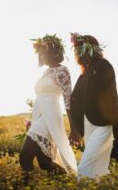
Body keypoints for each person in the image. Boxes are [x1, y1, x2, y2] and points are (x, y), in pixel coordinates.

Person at [69, 33, 118, 178]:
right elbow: (76, 99)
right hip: (88, 124)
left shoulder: (103, 65)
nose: (77, 52)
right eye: (76, 49)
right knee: (97, 170)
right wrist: (75, 128)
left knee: (84, 169)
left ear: (89, 48)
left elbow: (112, 96)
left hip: (103, 125)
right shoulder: (84, 73)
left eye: (79, 48)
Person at [19, 34, 77, 174]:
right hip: (39, 117)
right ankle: (65, 180)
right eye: (39, 53)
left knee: (24, 157)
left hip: (50, 117)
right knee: (45, 164)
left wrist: (74, 129)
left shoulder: (63, 71)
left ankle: (27, 184)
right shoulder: (45, 72)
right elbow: (40, 99)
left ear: (53, 52)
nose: (41, 56)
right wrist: (33, 121)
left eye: (43, 52)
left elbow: (68, 100)